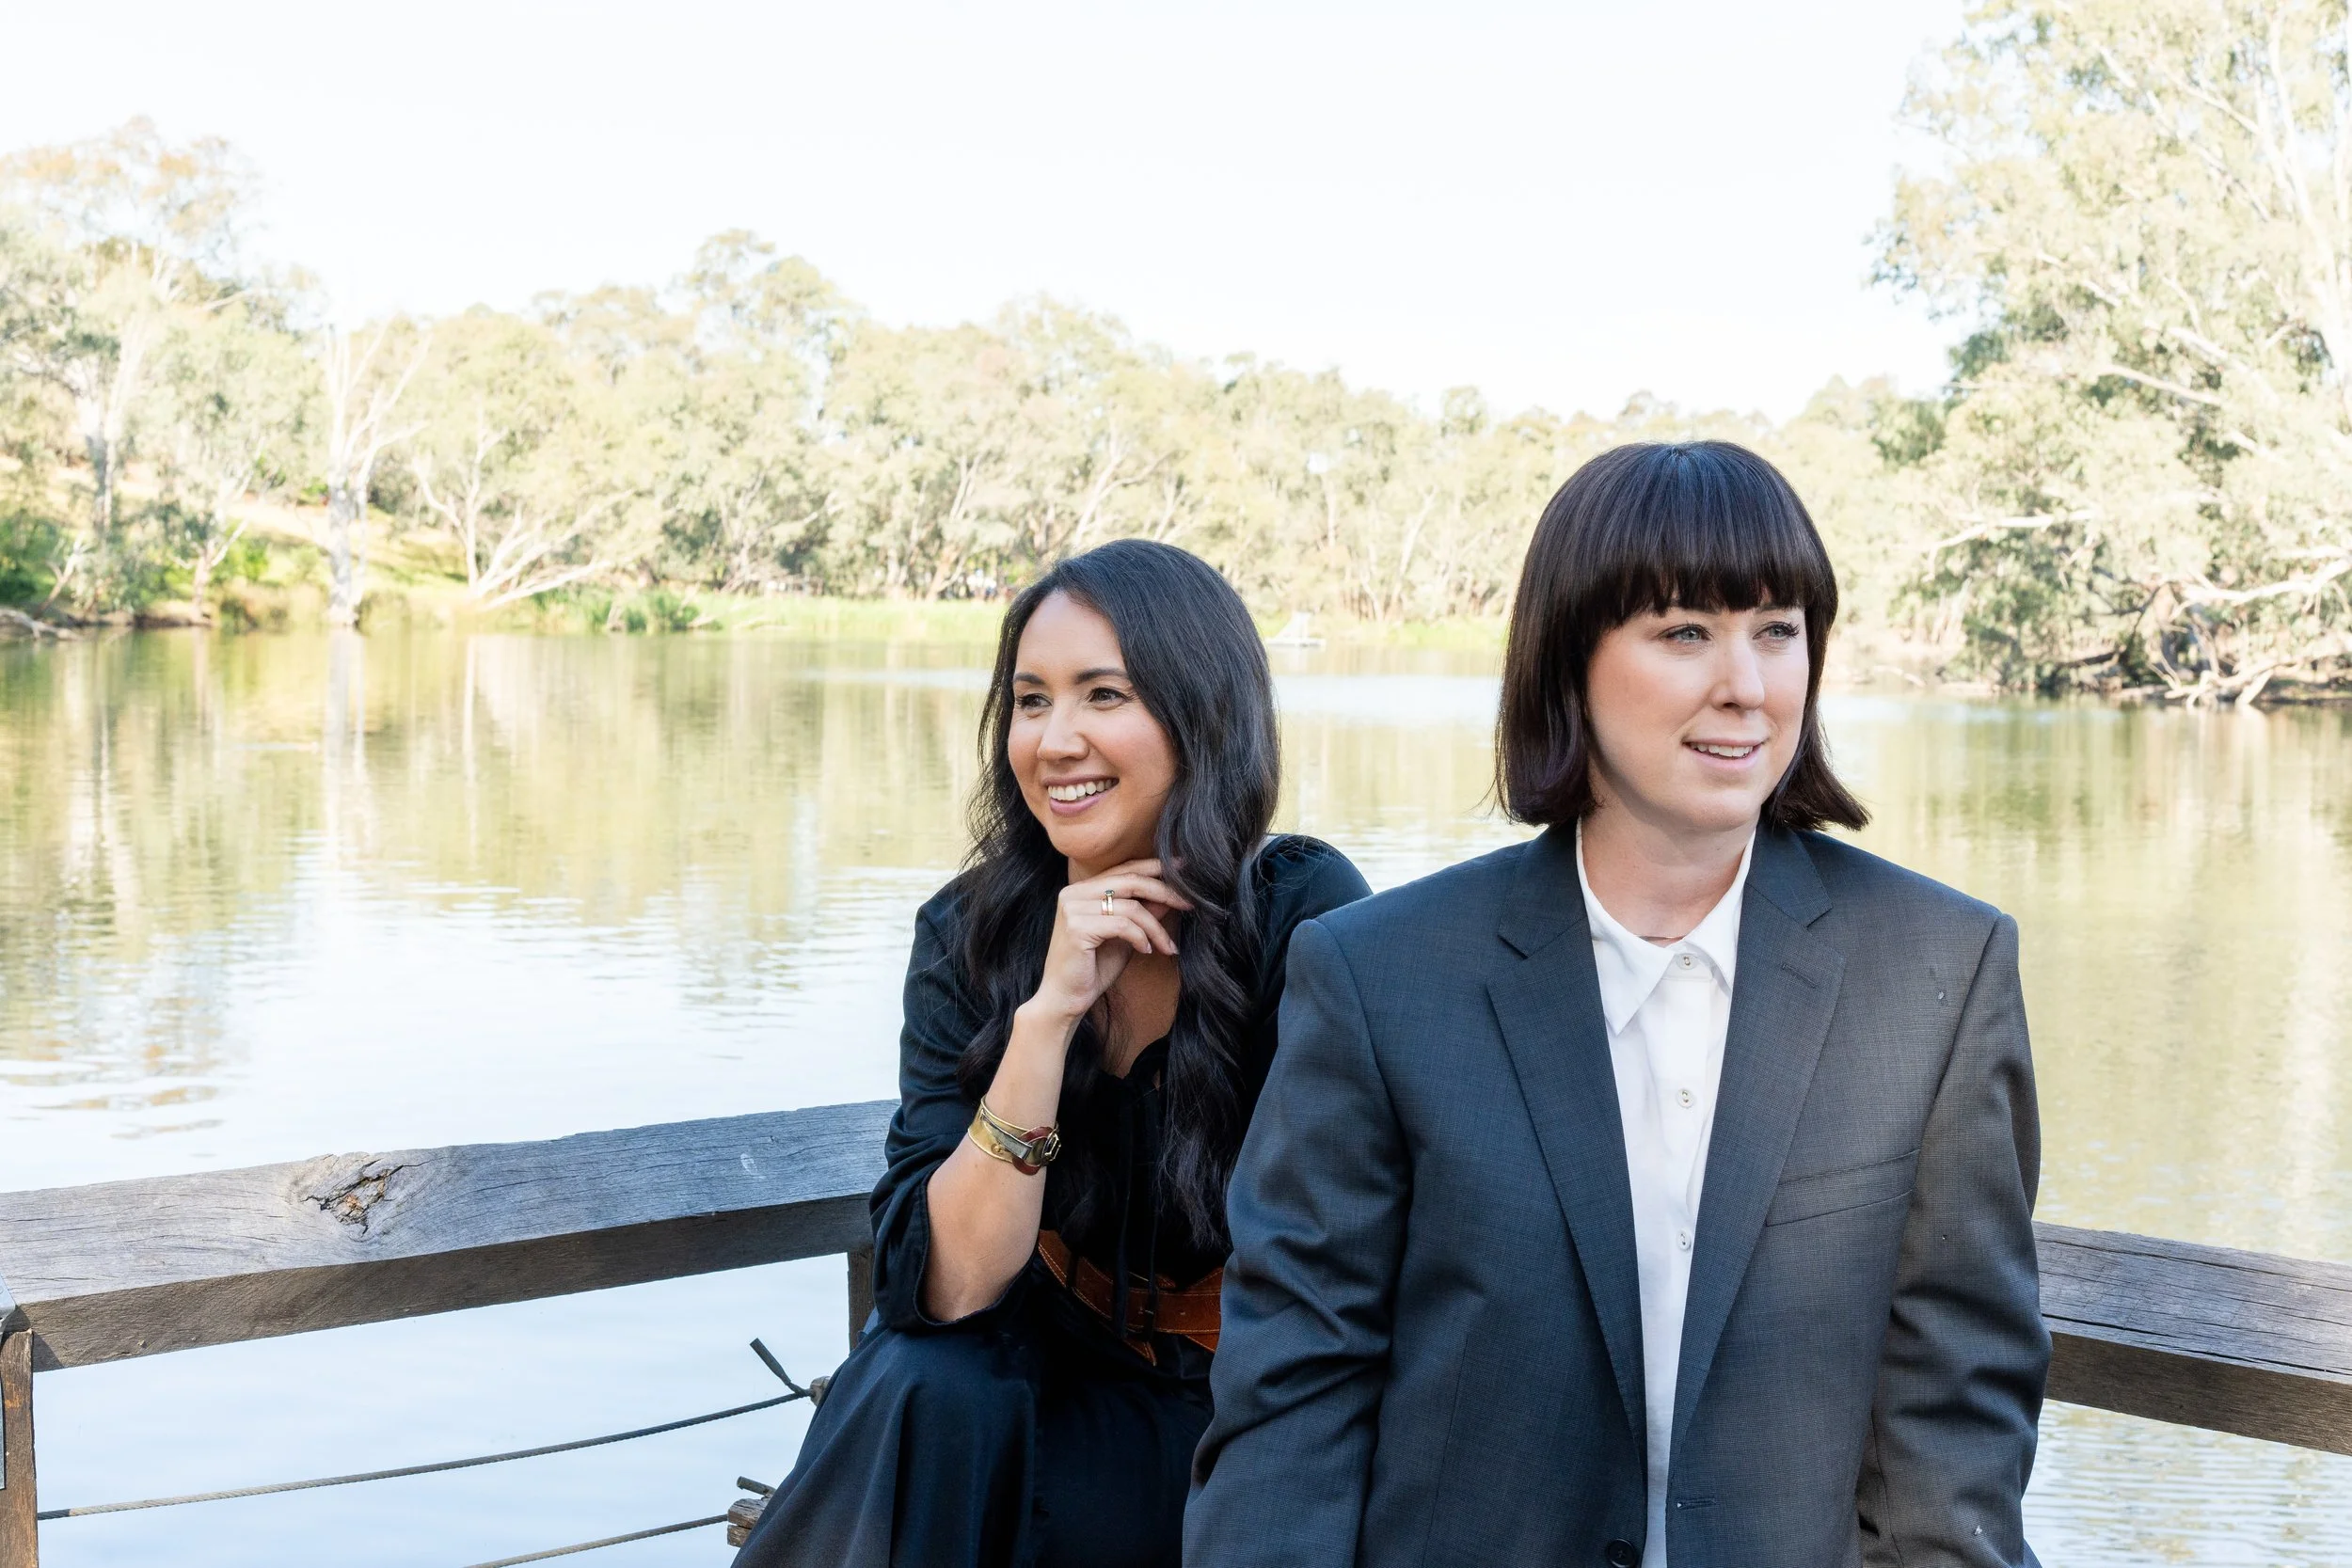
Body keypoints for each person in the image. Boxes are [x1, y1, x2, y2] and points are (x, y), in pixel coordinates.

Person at [1188, 441, 2048, 1568]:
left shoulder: (1939, 970)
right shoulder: (1378, 975)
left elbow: (1954, 1423)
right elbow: (1294, 1395)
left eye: (1777, 628)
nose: (1745, 682)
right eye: (1684, 630)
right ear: (1568, 664)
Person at [733, 539, 1369, 1568]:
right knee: (920, 1378)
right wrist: (1046, 1017)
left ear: (1202, 715)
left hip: (1238, 1407)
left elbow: (1362, 1246)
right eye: (1031, 700)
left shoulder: (1301, 913)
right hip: (1035, 1384)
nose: (1056, 739)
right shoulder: (968, 933)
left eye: (1103, 694)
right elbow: (951, 1291)